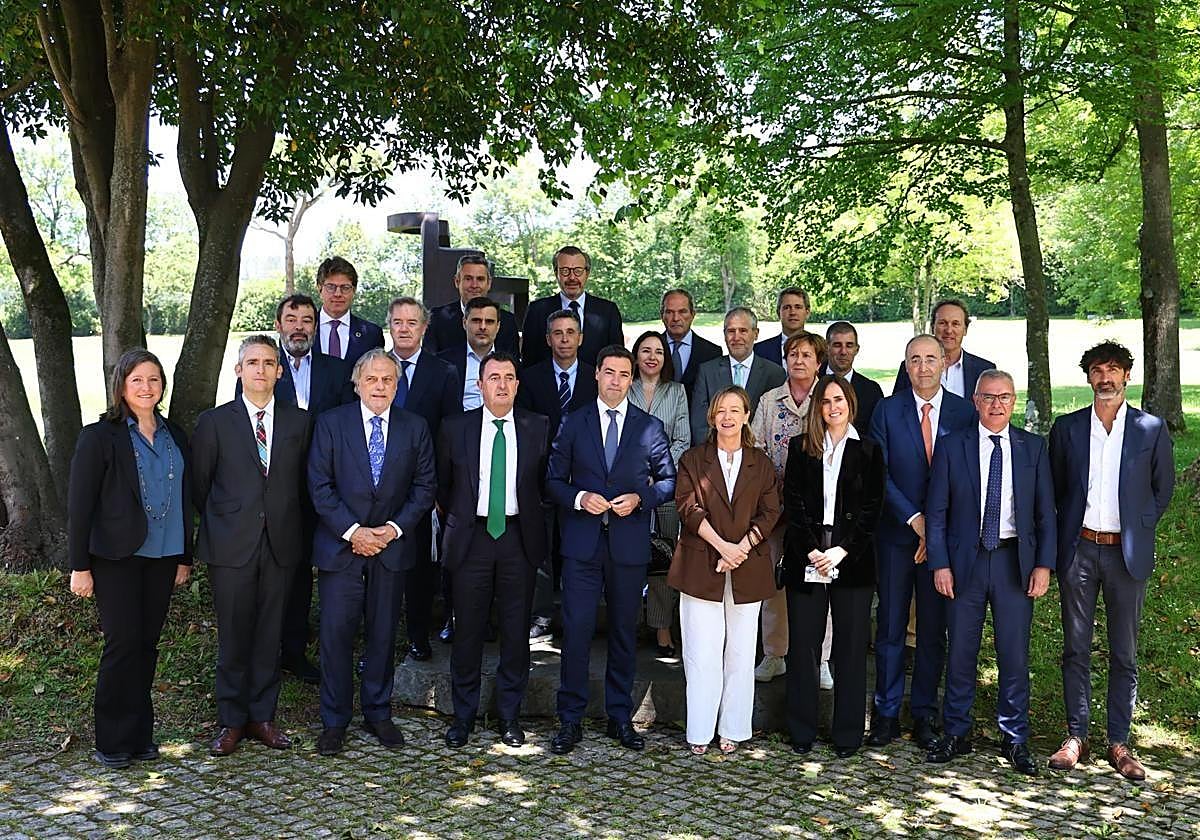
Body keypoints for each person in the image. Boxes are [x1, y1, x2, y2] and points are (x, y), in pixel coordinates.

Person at [1047, 342, 1174, 781]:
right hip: (1079, 549)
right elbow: (1057, 488)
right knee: (1075, 648)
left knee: (1124, 652)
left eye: (1114, 370)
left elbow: (1163, 489)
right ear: (1088, 377)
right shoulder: (1066, 429)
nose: (1106, 378)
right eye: (1098, 370)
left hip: (1126, 553)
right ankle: (1075, 737)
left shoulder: (1149, 428)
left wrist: (1139, 526)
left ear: (1127, 376)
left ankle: (1119, 742)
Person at [546, 345, 676, 754]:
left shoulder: (649, 427)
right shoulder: (574, 421)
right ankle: (570, 719)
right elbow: (552, 481)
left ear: (631, 379)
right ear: (596, 375)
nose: (616, 380)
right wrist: (579, 497)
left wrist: (641, 498)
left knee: (623, 633)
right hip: (583, 546)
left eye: (624, 374)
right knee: (577, 632)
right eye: (609, 373)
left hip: (628, 545)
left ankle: (620, 717)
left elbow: (669, 481)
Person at [924, 370, 1056, 775]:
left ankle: (1015, 737)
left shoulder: (1033, 448)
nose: (997, 405)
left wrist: (1044, 565)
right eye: (988, 397)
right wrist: (940, 563)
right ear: (976, 401)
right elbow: (937, 512)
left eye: (1005, 397)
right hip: (966, 562)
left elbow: (1046, 513)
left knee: (1013, 653)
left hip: (1014, 562)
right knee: (961, 651)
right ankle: (956, 731)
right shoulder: (953, 446)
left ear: (1014, 401)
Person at [67, 349, 193, 769]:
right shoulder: (99, 436)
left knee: (147, 645)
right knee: (122, 645)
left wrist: (184, 557)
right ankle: (112, 739)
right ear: (122, 385)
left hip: (163, 554)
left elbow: (183, 499)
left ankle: (140, 735)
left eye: (154, 379)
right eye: (137, 379)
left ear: (162, 386)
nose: (146, 387)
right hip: (116, 557)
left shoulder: (175, 434)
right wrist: (79, 565)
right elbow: (80, 506)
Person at [308, 349, 436, 756]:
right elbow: (319, 485)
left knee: (382, 634)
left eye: (387, 380)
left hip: (391, 547)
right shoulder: (331, 424)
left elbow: (425, 486)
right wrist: (353, 532)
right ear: (357, 383)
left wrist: (392, 529)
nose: (380, 387)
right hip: (341, 547)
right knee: (336, 636)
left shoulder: (415, 427)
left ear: (397, 385)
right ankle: (334, 720)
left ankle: (378, 713)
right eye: (372, 379)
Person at [192, 335, 312, 756]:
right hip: (231, 546)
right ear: (239, 370)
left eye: (269, 362)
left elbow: (302, 486)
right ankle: (230, 720)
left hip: (280, 545)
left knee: (269, 634)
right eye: (252, 362)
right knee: (234, 635)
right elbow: (200, 486)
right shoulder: (215, 422)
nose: (260, 369)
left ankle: (263, 716)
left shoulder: (299, 422)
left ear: (280, 372)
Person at [868, 334, 977, 748]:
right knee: (892, 628)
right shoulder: (887, 410)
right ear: (906, 365)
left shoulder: (965, 413)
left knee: (932, 632)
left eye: (931, 359)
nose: (924, 367)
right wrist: (915, 521)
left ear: (945, 362)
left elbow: (968, 476)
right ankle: (886, 713)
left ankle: (925, 714)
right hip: (898, 536)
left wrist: (936, 529)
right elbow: (881, 472)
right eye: (915, 359)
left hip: (943, 545)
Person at [436, 352, 549, 748]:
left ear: (518, 385)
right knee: (467, 630)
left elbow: (543, 484)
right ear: (480, 385)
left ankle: (509, 717)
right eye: (493, 377)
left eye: (509, 377)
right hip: (473, 537)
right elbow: (444, 485)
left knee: (516, 633)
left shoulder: (538, 426)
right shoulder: (455, 428)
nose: (502, 384)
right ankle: (462, 717)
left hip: (519, 538)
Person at [669, 387, 780, 754]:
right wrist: (724, 548)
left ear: (747, 415)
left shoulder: (760, 463)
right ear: (712, 416)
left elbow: (771, 512)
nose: (728, 417)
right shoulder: (693, 459)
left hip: (748, 566)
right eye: (721, 411)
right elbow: (688, 508)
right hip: (702, 562)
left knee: (741, 652)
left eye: (735, 410)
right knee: (701, 652)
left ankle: (733, 727)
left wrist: (742, 549)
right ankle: (700, 730)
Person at [251, 293, 353, 684]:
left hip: (324, 487)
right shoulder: (262, 368)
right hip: (276, 488)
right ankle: (267, 651)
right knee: (277, 569)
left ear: (316, 326)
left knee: (305, 574)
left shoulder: (336, 370)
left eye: (307, 320)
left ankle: (296, 650)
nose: (298, 327)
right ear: (279, 325)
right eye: (291, 319)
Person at [782, 374, 884, 757]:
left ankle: (847, 734)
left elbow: (873, 510)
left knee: (851, 647)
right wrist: (812, 550)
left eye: (838, 399)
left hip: (851, 559)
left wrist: (841, 551)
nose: (832, 407)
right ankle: (802, 730)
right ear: (817, 407)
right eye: (825, 401)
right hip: (807, 554)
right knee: (804, 647)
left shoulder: (870, 451)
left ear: (850, 403)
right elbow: (793, 503)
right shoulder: (800, 448)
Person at [386, 297, 463, 661]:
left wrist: (435, 488)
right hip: (375, 484)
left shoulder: (443, 371)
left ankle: (418, 635)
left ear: (424, 327)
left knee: (418, 567)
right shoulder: (374, 367)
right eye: (398, 322)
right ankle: (379, 642)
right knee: (380, 571)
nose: (404, 328)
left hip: (421, 486)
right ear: (389, 326)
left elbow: (449, 434)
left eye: (412, 322)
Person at [515, 308, 598, 643]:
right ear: (548, 339)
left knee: (580, 547)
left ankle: (580, 615)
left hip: (585, 477)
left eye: (570, 332)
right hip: (541, 475)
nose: (564, 339)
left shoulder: (596, 377)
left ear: (580, 337)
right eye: (558, 333)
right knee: (541, 547)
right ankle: (542, 615)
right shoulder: (531, 378)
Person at [749, 331, 826, 685]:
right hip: (775, 506)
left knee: (819, 580)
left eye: (806, 355)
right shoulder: (769, 401)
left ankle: (820, 658)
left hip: (817, 510)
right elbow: (757, 448)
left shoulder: (828, 399)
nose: (799, 360)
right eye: (793, 354)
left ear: (818, 362)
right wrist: (770, 494)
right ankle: (774, 653)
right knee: (773, 581)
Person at [627, 331, 691, 656]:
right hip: (629, 489)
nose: (652, 357)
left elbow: (682, 438)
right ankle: (628, 623)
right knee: (628, 555)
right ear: (635, 355)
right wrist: (639, 475)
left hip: (666, 488)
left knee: (665, 557)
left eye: (658, 352)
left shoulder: (677, 392)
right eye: (645, 351)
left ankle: (662, 626)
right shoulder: (625, 387)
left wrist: (660, 472)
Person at [689, 307, 786, 447]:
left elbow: (775, 423)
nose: (736, 337)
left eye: (743, 331)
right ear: (724, 335)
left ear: (756, 334)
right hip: (715, 454)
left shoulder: (774, 373)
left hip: (758, 455)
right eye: (731, 331)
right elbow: (699, 424)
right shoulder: (707, 371)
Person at [520, 245, 624, 368]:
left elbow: (617, 359)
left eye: (578, 271)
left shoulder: (608, 312)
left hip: (594, 385)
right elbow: (529, 360)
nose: (572, 277)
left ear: (587, 273)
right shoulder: (536, 310)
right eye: (565, 271)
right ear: (556, 273)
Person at [892, 299, 994, 398]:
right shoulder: (912, 367)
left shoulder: (984, 369)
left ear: (965, 330)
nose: (949, 330)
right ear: (933, 327)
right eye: (942, 323)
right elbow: (896, 408)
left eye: (955, 324)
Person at [423, 254, 521, 356]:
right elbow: (429, 363)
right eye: (468, 279)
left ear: (489, 283)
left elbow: (513, 364)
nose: (474, 285)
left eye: (480, 279)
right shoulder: (437, 319)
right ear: (457, 281)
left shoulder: (507, 321)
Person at [315, 256, 385, 365]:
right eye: (331, 287)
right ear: (319, 288)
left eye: (345, 288)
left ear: (354, 291)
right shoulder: (303, 329)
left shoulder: (372, 334)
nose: (338, 294)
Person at [439, 296, 502, 412]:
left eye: (489, 322)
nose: (482, 327)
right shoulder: (443, 363)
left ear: (497, 327)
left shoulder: (511, 365)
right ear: (464, 323)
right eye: (476, 321)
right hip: (457, 427)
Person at [822, 321, 885, 436]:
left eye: (849, 345)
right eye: (837, 345)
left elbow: (876, 436)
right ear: (827, 348)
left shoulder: (871, 390)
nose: (843, 352)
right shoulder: (812, 382)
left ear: (857, 349)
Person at [660, 288, 722, 401]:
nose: (676, 318)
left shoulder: (712, 352)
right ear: (662, 316)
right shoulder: (650, 349)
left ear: (693, 314)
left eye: (682, 312)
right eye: (669, 312)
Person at [753, 288, 812, 366]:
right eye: (787, 307)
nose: (792, 312)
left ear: (807, 313)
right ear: (778, 313)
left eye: (798, 307)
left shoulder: (822, 349)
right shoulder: (758, 350)